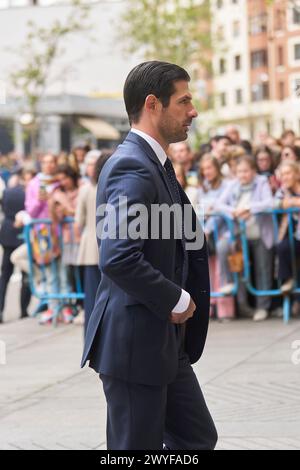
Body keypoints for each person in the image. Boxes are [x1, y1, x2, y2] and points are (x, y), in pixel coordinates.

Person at [81, 61, 217, 450]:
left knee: (196, 437)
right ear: (153, 104)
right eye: (184, 101)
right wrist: (177, 297)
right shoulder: (132, 165)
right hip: (135, 343)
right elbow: (119, 257)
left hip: (162, 341)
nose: (193, 111)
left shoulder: (153, 162)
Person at [215, 155, 274, 322]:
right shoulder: (233, 185)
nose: (243, 175)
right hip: (238, 235)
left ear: (253, 171)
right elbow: (219, 204)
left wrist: (248, 208)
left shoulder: (262, 182)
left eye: (246, 171)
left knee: (263, 269)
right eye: (240, 171)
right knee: (225, 249)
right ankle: (236, 296)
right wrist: (233, 211)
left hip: (260, 234)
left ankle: (263, 306)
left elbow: (269, 202)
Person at [75, 150, 113, 331]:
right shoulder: (114, 186)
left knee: (91, 301)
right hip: (111, 250)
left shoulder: (86, 190)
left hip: (90, 248)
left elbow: (78, 221)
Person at [198, 154, 235, 320]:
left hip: (223, 233)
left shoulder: (226, 186)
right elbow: (200, 211)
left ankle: (226, 310)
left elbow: (219, 212)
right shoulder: (202, 188)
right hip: (206, 235)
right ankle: (210, 306)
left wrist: (207, 229)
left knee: (220, 270)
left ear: (217, 168)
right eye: (204, 169)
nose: (207, 172)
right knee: (208, 270)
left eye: (210, 168)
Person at [0, 172, 32, 323]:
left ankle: (0, 311)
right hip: (24, 234)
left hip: (7, 233)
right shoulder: (28, 193)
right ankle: (23, 310)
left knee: (5, 275)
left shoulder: (7, 193)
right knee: (26, 275)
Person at [274, 161, 300, 298]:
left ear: (296, 174)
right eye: (283, 174)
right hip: (294, 235)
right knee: (283, 247)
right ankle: (288, 280)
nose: (285, 177)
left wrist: (293, 202)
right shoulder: (283, 190)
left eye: (288, 173)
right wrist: (284, 203)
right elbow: (274, 203)